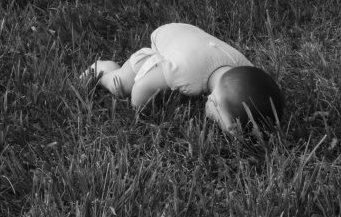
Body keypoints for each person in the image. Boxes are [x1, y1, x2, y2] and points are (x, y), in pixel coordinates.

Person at [82, 22, 285, 133]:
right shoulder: (186, 74)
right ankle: (102, 70)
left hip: (189, 35)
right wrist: (142, 109)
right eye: (221, 123)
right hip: (166, 40)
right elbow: (141, 89)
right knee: (123, 85)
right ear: (212, 101)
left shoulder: (244, 67)